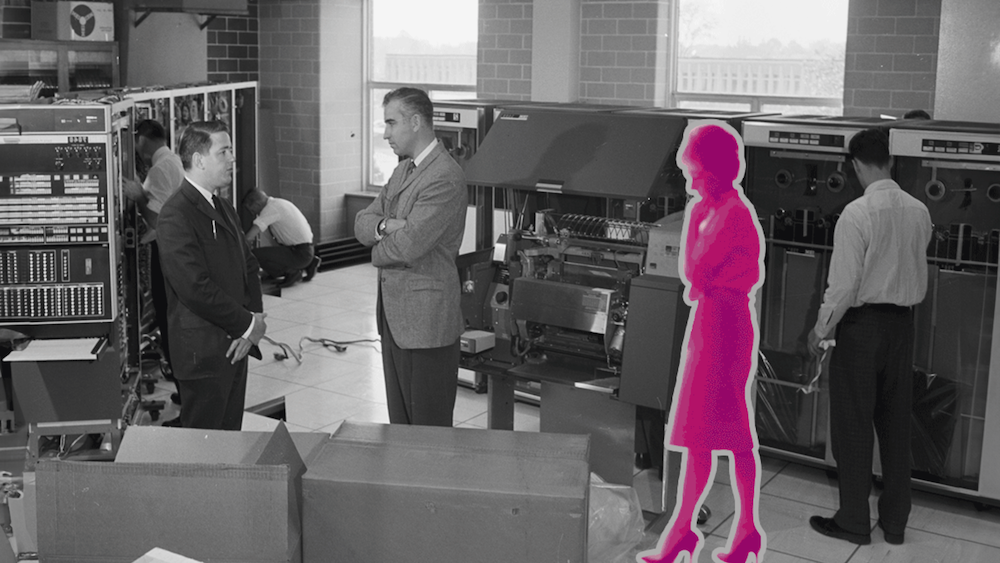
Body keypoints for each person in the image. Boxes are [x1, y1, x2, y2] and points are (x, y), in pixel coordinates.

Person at [639, 122, 766, 563]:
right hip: (708, 322)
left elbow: (697, 270)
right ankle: (682, 531)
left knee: (732, 433)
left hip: (727, 325)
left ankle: (744, 528)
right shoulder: (703, 209)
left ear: (715, 168)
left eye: (694, 169)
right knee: (697, 433)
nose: (689, 178)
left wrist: (697, 265)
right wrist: (695, 245)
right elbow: (693, 274)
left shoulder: (733, 211)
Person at [807, 127, 932, 546]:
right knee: (896, 427)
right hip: (903, 327)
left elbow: (843, 287)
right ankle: (895, 524)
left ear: (856, 165)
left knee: (853, 426)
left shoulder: (856, 215)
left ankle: (854, 521)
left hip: (862, 330)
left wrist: (821, 328)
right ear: (890, 161)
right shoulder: (919, 211)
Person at [354, 87, 467, 427]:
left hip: (427, 323)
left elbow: (409, 245)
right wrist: (390, 224)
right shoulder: (403, 171)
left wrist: (379, 245)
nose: (386, 133)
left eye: (391, 123)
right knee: (401, 426)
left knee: (428, 430)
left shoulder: (444, 176)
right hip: (396, 319)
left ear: (416, 122)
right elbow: (362, 223)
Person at [156, 121, 267, 430]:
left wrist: (253, 318)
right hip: (202, 355)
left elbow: (248, 264)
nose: (232, 159)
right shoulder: (175, 214)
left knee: (230, 439)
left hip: (235, 346)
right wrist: (247, 325)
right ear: (199, 159)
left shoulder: (223, 206)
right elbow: (195, 287)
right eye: (224, 152)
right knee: (204, 452)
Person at [122, 119, 185, 416]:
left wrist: (138, 197)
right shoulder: (172, 162)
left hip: (166, 252)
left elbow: (158, 222)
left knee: (166, 316)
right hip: (177, 252)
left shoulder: (160, 169)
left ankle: (184, 391)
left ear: (143, 140)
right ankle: (185, 390)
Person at [242, 188, 321, 288]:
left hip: (299, 253)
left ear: (257, 204)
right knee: (265, 254)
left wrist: (237, 249)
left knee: (254, 255)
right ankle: (308, 264)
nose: (253, 213)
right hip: (305, 250)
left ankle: (292, 272)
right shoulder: (278, 203)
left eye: (252, 210)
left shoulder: (271, 209)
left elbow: (250, 236)